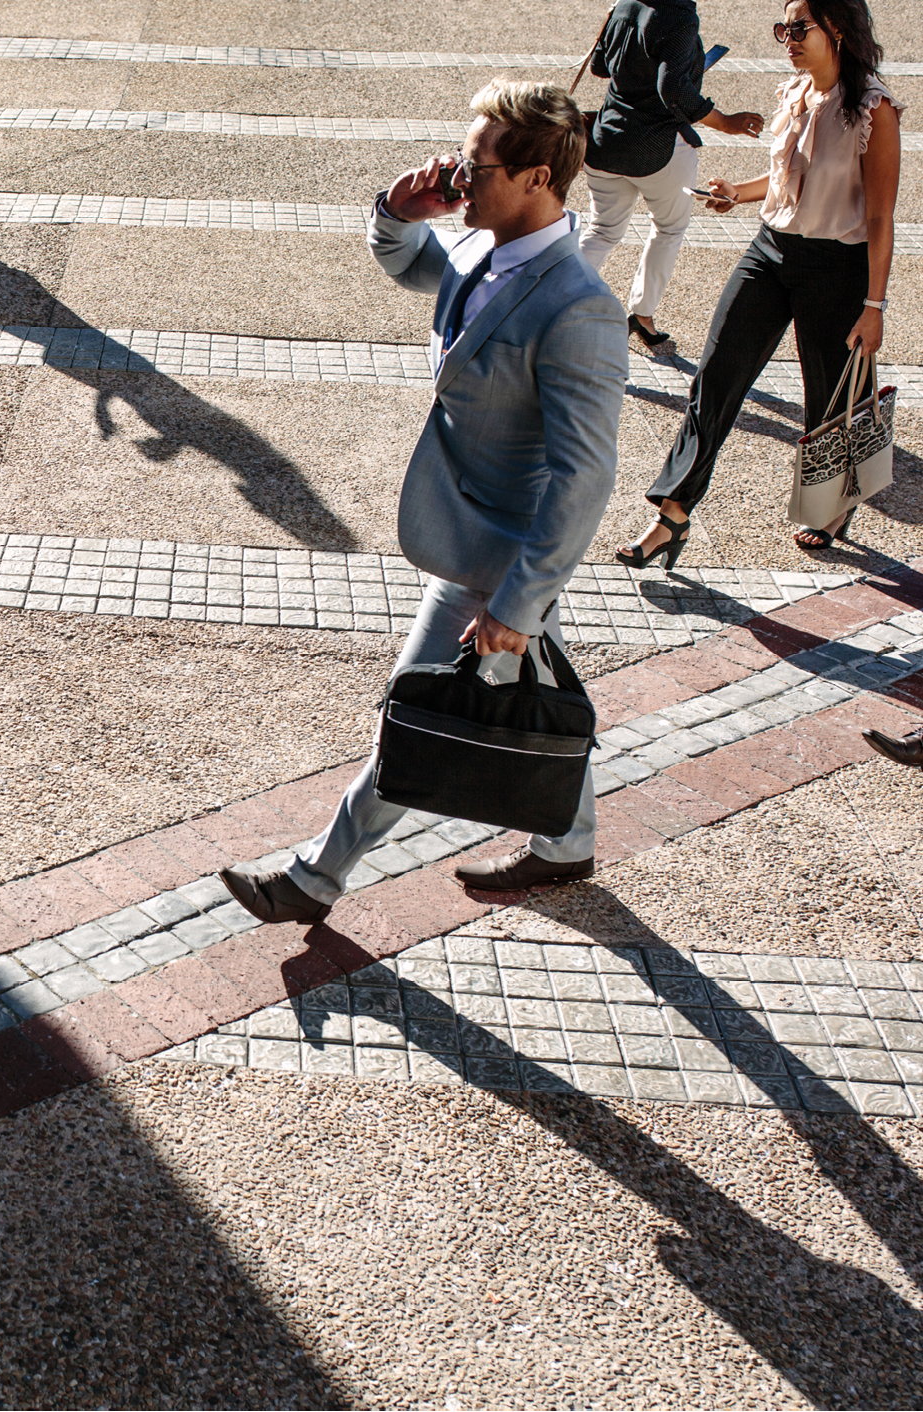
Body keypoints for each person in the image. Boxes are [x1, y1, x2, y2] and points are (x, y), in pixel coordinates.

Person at [219, 78, 628, 924]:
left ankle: (313, 880)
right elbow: (415, 265)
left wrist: (519, 599)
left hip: (501, 557)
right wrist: (398, 212)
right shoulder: (486, 250)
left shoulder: (577, 308)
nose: (459, 177)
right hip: (474, 536)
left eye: (475, 168)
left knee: (418, 714)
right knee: (527, 687)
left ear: (537, 178)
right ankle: (569, 842)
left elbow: (584, 475)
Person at [616, 0, 902, 568]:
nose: (788, 38)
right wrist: (737, 194)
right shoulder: (795, 92)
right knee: (716, 377)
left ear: (837, 31)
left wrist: (874, 305)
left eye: (800, 28)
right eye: (783, 29)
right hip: (770, 251)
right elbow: (783, 178)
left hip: (837, 265)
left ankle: (832, 501)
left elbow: (880, 217)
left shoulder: (873, 108)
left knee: (826, 393)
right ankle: (671, 513)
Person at [579, 0, 765, 349]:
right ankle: (642, 313)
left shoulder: (625, 4)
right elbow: (674, 90)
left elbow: (600, 67)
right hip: (658, 148)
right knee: (668, 227)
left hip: (607, 141)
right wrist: (724, 122)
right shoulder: (679, 15)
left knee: (602, 232)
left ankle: (552, 305)